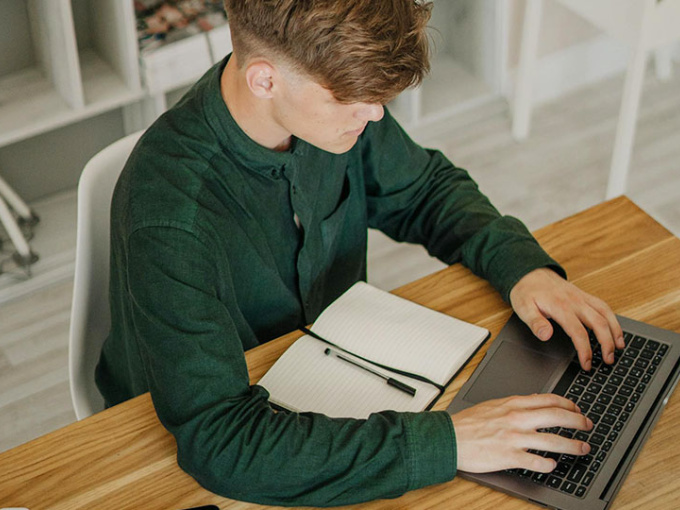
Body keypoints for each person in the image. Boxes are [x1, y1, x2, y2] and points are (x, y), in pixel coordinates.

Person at [95, 0, 624, 506]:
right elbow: (222, 441)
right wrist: (451, 443)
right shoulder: (170, 215)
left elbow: (424, 191)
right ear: (264, 79)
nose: (373, 115)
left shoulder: (322, 96)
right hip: (196, 439)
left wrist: (523, 268)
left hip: (331, 370)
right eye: (352, 99)